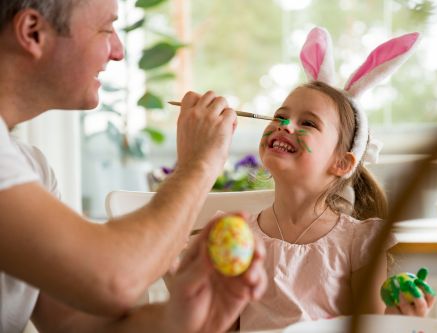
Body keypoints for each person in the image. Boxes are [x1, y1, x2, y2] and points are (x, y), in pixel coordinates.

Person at [0, 0, 266, 332]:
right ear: (32, 32)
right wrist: (199, 164)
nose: (118, 52)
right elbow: (113, 280)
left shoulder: (31, 167)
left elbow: (74, 324)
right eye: (107, 28)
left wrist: (182, 315)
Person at [237, 28, 436, 331]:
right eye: (280, 117)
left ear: (341, 163)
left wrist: (401, 322)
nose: (285, 126)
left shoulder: (358, 242)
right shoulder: (239, 236)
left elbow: (371, 328)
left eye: (307, 123)